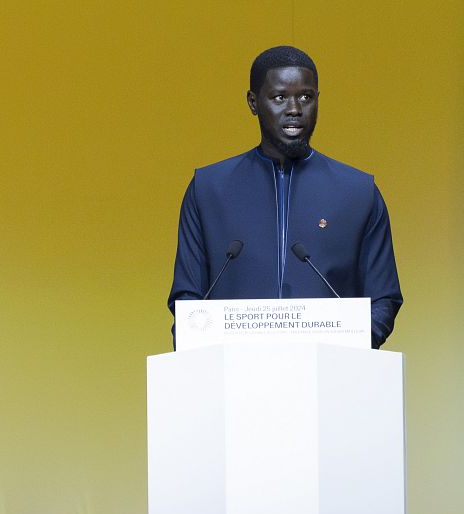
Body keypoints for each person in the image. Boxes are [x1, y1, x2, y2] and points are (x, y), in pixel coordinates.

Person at [168, 45, 402, 348]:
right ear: (253, 102)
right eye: (279, 97)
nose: (294, 109)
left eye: (306, 97)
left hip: (333, 381)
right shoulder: (209, 189)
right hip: (231, 381)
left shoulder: (358, 192)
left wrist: (352, 350)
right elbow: (187, 298)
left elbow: (383, 299)